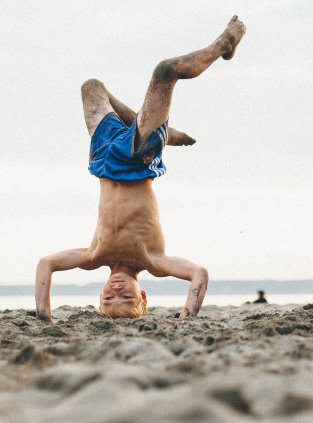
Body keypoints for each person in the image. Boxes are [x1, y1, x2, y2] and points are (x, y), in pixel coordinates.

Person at [35, 16, 246, 322]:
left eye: (108, 297)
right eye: (126, 297)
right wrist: (186, 318)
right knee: (165, 71)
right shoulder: (155, 261)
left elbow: (46, 264)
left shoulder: (94, 255)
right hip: (137, 156)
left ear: (100, 293)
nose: (116, 290)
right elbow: (199, 274)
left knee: (92, 87)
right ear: (143, 296)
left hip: (102, 158)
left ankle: (156, 128)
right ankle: (224, 44)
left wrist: (45, 318)